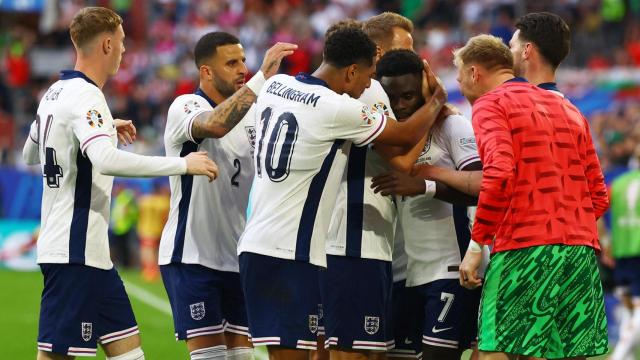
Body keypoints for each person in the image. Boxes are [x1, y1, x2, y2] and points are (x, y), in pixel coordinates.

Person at [237, 26, 446, 360]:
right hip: (293, 252)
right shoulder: (337, 107)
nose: (369, 83)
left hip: (260, 244)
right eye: (369, 74)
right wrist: (436, 101)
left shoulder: (277, 84)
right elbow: (404, 141)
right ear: (353, 70)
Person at [21, 7, 218, 360]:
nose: (126, 50)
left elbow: (29, 154)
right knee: (56, 355)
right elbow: (106, 159)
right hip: (73, 251)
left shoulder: (54, 92)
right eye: (123, 42)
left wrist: (102, 127)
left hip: (92, 255)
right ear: (108, 44)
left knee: (129, 352)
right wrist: (181, 164)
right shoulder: (86, 96)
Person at [454, 34, 609, 360]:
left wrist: (475, 245)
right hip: (579, 252)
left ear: (474, 73)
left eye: (460, 79)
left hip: (525, 247)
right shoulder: (568, 107)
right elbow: (599, 195)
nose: (463, 89)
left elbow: (498, 174)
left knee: (495, 351)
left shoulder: (490, 104)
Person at [159, 31, 296, 360]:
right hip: (193, 256)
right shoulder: (186, 106)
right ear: (206, 71)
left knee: (242, 358)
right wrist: (263, 77)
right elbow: (215, 125)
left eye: (244, 61)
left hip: (236, 259)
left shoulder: (255, 113)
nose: (242, 69)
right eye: (231, 63)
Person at [320, 15, 429, 360]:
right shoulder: (372, 90)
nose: (416, 60)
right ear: (379, 52)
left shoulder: (341, 90)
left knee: (332, 348)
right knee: (355, 352)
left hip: (343, 239)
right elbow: (403, 162)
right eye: (406, 50)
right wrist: (434, 107)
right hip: (355, 243)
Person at [371, 49, 484, 360]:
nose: (400, 105)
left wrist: (426, 185)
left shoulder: (452, 125)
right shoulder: (390, 134)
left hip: (450, 267)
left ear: (424, 88)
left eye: (408, 95)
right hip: (407, 272)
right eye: (392, 98)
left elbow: (482, 187)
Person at [136, 179, 170, 282]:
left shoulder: (143, 200)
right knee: (155, 251)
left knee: (146, 250)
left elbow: (138, 214)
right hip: (158, 229)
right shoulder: (164, 201)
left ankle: (149, 271)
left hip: (145, 229)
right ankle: (153, 271)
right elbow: (166, 217)